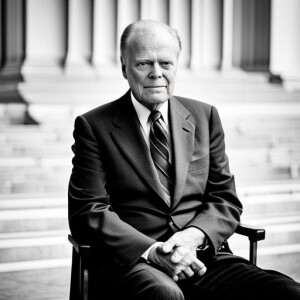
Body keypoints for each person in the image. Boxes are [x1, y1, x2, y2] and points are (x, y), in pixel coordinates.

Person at [68, 20, 300, 300]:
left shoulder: (205, 117)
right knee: (165, 295)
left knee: (287, 291)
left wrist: (194, 235)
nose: (157, 74)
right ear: (124, 67)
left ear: (177, 65)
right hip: (135, 259)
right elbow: (87, 211)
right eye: (144, 64)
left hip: (202, 255)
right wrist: (155, 250)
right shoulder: (94, 126)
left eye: (166, 63)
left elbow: (225, 200)